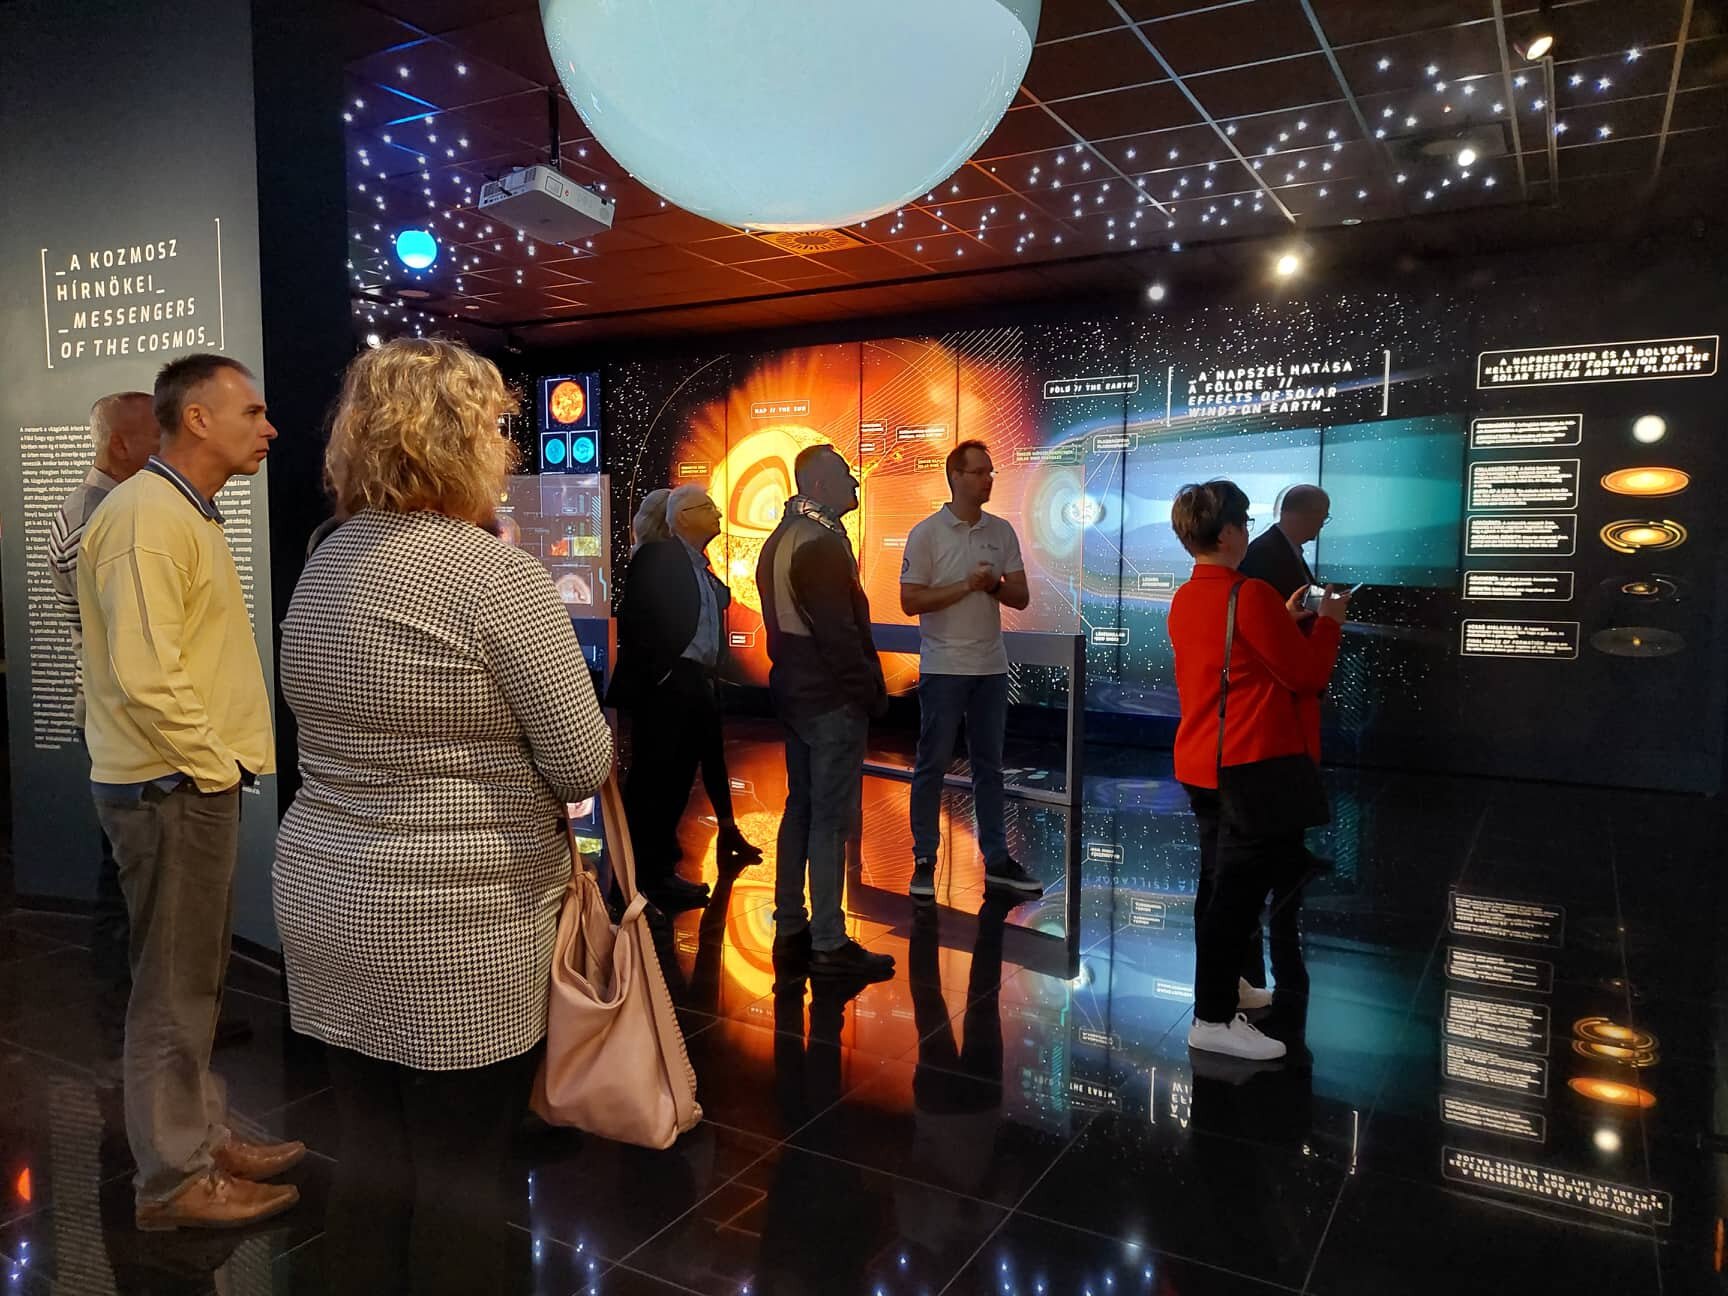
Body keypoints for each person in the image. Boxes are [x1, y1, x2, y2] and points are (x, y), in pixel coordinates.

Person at [275, 338, 613, 1296]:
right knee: (464, 1173)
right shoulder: (496, 577)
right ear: (460, 439)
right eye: (499, 427)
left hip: (325, 897)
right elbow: (583, 761)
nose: (509, 447)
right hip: (458, 921)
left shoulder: (325, 560)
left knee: (371, 1157)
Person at [80, 354, 303, 1230]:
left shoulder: (180, 510)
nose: (269, 428)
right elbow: (147, 673)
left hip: (182, 781)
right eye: (252, 411)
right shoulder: (147, 517)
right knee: (171, 992)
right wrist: (212, 766)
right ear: (199, 419)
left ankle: (200, 1135)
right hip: (170, 786)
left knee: (191, 982)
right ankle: (174, 1180)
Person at [1167, 480, 1346, 1061]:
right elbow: (1307, 675)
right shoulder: (1249, 595)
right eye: (1243, 523)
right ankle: (1213, 1018)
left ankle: (1227, 990)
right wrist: (1329, 622)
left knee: (1216, 885)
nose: (1248, 532)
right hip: (1247, 762)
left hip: (1202, 760)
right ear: (1226, 533)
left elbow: (1236, 661)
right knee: (1235, 896)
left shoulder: (1186, 596)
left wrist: (1283, 617)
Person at [757, 445, 894, 981]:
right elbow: (840, 637)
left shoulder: (781, 538)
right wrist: (870, 694)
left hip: (795, 696)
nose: (855, 483)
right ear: (817, 485)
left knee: (801, 807)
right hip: (829, 700)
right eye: (844, 475)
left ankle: (791, 922)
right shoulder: (820, 543)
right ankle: (830, 941)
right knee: (830, 818)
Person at [900, 440, 1043, 902]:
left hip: (990, 667)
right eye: (979, 472)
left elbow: (1019, 596)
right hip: (944, 667)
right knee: (932, 763)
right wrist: (965, 586)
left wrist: (992, 585)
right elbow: (910, 601)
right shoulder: (926, 533)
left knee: (989, 766)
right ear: (955, 476)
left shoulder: (1000, 531)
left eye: (990, 472)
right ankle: (924, 859)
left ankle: (996, 860)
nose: (988, 480)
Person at [48, 392, 157, 992]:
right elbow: (129, 635)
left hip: (113, 714)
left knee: (125, 865)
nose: (169, 447)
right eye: (158, 435)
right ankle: (125, 1003)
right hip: (120, 719)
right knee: (129, 869)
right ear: (121, 443)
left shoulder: (96, 506)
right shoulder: (102, 517)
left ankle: (126, 1002)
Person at [608, 483, 752, 910]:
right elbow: (639, 620)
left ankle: (659, 873)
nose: (719, 514)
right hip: (670, 684)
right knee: (657, 780)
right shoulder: (658, 557)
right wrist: (665, 673)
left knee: (678, 779)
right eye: (708, 507)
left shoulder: (696, 564)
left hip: (693, 681)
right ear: (684, 517)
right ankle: (643, 879)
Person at [1238, 484, 1329, 600]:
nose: (1321, 525)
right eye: (1321, 517)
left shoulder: (1282, 547)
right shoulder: (1264, 553)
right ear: (1303, 514)